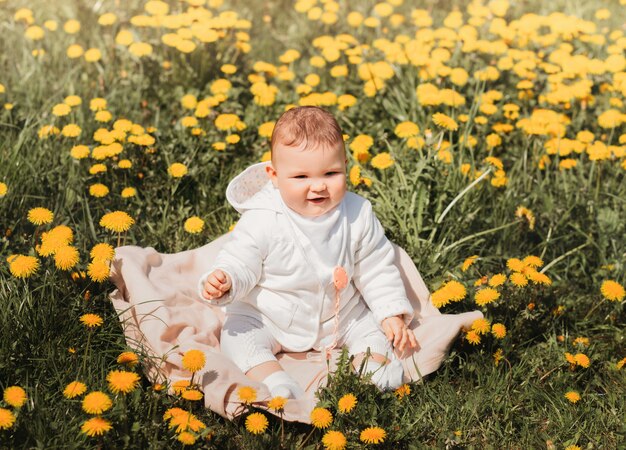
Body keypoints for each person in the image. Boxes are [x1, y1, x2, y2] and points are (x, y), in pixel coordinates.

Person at [198, 106, 417, 399]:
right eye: (301, 177)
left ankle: (371, 368)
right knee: (238, 336)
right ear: (274, 176)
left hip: (339, 316)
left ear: (345, 165)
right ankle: (274, 379)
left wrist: (390, 311)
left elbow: (376, 266)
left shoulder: (357, 214)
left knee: (372, 328)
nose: (318, 186)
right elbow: (241, 257)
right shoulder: (263, 218)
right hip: (270, 315)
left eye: (331, 173)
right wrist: (226, 277)